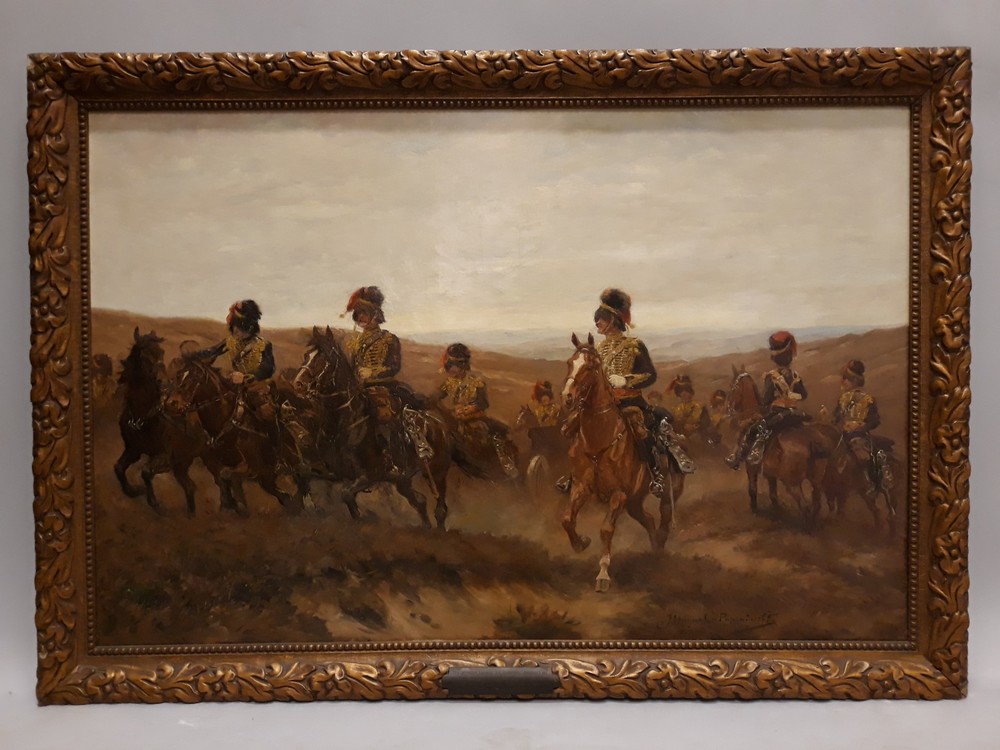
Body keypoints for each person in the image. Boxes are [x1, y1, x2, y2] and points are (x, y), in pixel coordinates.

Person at [343, 286, 431, 472]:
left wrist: (373, 373)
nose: (361, 317)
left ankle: (395, 457)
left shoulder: (389, 339)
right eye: (358, 314)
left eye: (365, 313)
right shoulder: (354, 342)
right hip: (360, 389)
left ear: (376, 315)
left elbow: (394, 367)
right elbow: (352, 368)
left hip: (385, 388)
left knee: (387, 416)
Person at [726, 330, 809, 469]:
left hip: (778, 415)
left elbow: (766, 401)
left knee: (754, 428)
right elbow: (804, 395)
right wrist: (791, 396)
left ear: (775, 358)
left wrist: (763, 407)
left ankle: (743, 455)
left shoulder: (771, 376)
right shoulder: (796, 376)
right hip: (795, 415)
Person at [190, 299, 278, 431]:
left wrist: (248, 377)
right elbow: (211, 352)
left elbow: (268, 368)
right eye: (234, 326)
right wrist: (192, 355)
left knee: (267, 414)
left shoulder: (263, 345)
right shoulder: (230, 342)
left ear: (249, 327)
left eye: (239, 327)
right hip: (235, 385)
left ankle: (275, 441)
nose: (235, 331)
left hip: (257, 386)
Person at [435, 342, 518, 478]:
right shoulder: (448, 383)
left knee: (496, 433)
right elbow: (436, 396)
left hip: (475, 419)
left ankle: (506, 463)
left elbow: (482, 403)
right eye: (449, 365)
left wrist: (467, 410)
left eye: (453, 365)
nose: (450, 369)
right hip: (456, 420)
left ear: (462, 365)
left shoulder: (476, 383)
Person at [833, 359, 887, 497]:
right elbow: (836, 418)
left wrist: (862, 427)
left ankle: (871, 483)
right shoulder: (842, 399)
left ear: (854, 380)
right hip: (843, 435)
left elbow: (875, 421)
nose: (842, 381)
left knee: (864, 457)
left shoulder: (868, 399)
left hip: (859, 436)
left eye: (845, 378)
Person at [667, 374, 707, 438]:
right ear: (679, 394)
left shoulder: (700, 407)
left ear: (691, 392)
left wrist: (694, 427)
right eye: (681, 391)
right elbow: (674, 425)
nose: (685, 394)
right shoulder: (676, 409)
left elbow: (705, 424)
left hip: (697, 436)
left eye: (687, 391)